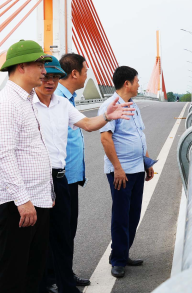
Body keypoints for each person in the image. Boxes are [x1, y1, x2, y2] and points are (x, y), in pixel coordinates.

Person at [34, 56, 134, 293]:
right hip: (41, 179)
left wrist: (109, 116)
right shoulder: (29, 105)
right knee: (45, 238)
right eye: (46, 77)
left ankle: (63, 278)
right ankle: (48, 281)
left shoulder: (62, 103)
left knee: (64, 234)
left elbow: (88, 124)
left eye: (55, 77)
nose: (50, 81)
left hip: (64, 177)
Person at [0, 40, 54, 293]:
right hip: (18, 204)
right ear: (22, 67)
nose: (44, 71)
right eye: (39, 64)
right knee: (12, 276)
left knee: (32, 274)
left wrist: (46, 195)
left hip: (35, 200)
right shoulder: (6, 103)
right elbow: (4, 157)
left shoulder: (25, 100)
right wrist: (23, 200)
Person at [98, 66, 155, 278]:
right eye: (137, 81)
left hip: (137, 168)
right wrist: (118, 169)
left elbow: (140, 135)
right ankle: (118, 260)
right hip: (121, 172)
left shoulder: (132, 105)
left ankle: (124, 252)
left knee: (133, 215)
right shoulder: (110, 106)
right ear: (127, 83)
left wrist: (147, 162)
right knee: (121, 216)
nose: (140, 84)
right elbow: (106, 138)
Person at [53, 53, 91, 287]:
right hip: (61, 177)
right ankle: (56, 279)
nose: (87, 76)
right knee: (60, 233)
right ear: (74, 73)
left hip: (71, 176)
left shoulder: (69, 98)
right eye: (85, 71)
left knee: (68, 230)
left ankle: (63, 275)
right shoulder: (56, 98)